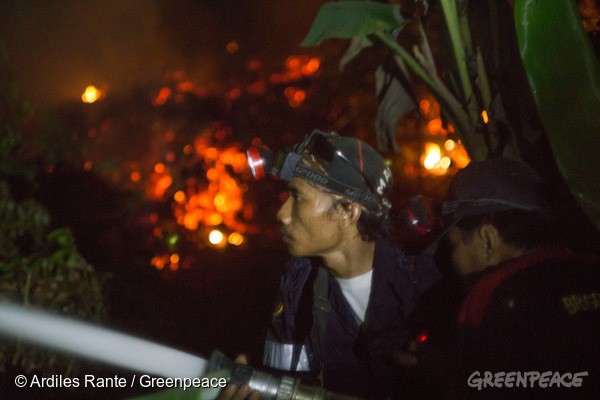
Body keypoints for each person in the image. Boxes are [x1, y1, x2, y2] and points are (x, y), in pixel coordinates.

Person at [220, 130, 440, 399]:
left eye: (298, 197)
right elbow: (283, 383)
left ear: (347, 211)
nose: (282, 214)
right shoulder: (297, 287)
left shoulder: (425, 289)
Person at [402, 157, 600, 399]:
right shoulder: (590, 269)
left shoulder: (491, 296)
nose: (452, 261)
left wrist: (443, 369)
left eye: (453, 245)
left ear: (487, 240)